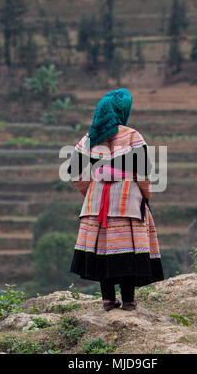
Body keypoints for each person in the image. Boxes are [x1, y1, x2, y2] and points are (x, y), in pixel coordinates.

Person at [67, 88, 164, 311]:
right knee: (126, 249)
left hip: (96, 204)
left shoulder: (89, 138)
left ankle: (108, 300)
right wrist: (146, 196)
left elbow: (74, 172)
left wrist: (90, 191)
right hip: (127, 203)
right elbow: (143, 173)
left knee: (102, 249)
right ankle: (128, 301)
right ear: (123, 110)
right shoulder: (132, 136)